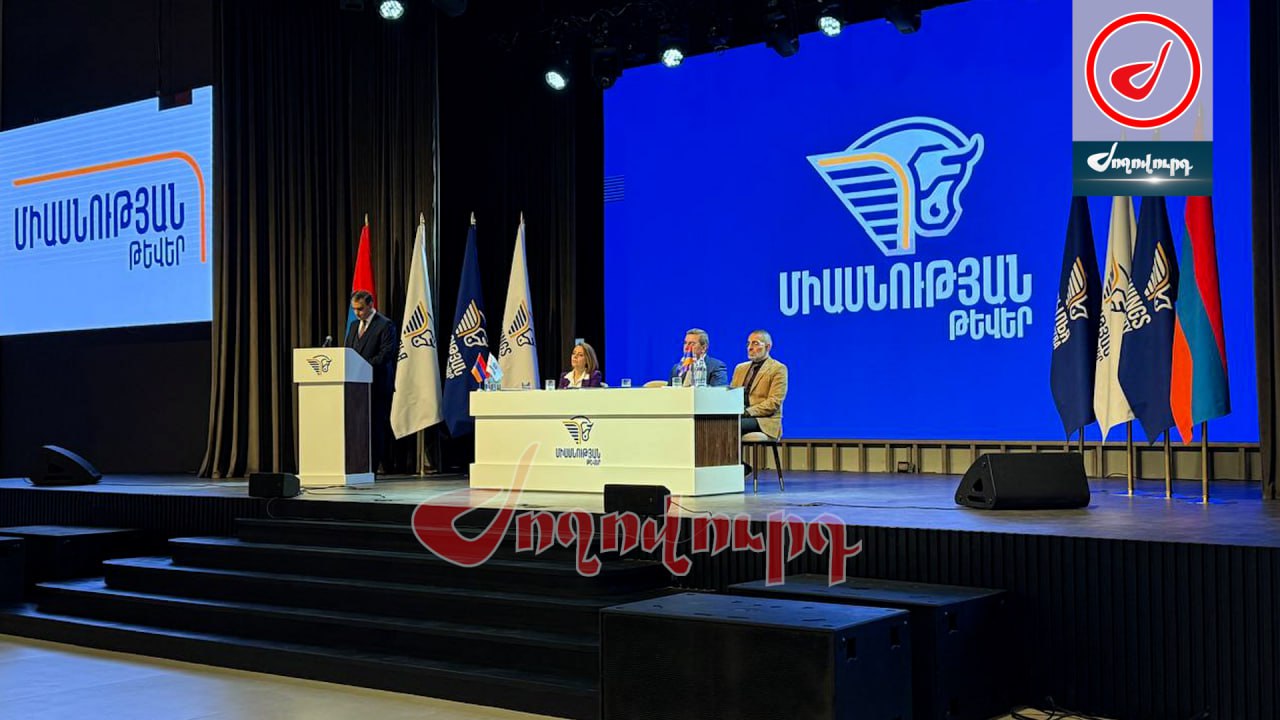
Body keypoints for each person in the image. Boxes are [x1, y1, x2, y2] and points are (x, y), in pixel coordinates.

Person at [345, 290, 397, 473]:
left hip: (378, 385)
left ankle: (375, 466)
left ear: (370, 305)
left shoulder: (385, 325)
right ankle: (358, 463)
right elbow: (348, 352)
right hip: (356, 387)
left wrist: (362, 366)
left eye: (360, 309)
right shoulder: (353, 326)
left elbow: (386, 354)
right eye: (354, 309)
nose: (357, 313)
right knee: (358, 426)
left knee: (376, 426)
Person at [731, 330, 788, 474]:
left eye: (755, 344)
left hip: (764, 419)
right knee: (717, 425)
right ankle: (734, 465)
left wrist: (748, 412)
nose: (750, 347)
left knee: (730, 426)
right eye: (748, 344)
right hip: (741, 414)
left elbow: (774, 402)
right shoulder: (740, 368)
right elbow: (732, 395)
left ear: (768, 347)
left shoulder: (778, 369)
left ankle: (737, 466)